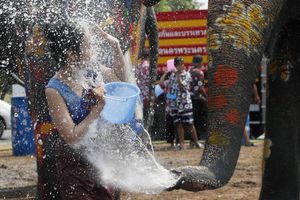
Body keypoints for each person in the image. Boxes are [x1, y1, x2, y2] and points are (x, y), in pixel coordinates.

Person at [44, 22, 125, 199]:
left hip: (101, 157)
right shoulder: (54, 89)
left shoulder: (92, 71)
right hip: (74, 163)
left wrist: (116, 46)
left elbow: (120, 80)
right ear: (72, 55)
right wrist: (97, 109)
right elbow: (71, 135)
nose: (93, 49)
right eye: (88, 45)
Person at [162, 57, 203, 150]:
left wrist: (178, 76)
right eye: (180, 64)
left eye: (183, 64)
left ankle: (196, 142)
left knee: (189, 123)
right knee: (178, 124)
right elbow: (169, 88)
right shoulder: (172, 76)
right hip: (175, 104)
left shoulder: (187, 75)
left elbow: (183, 87)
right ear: (176, 65)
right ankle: (181, 144)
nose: (182, 66)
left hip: (185, 103)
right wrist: (169, 101)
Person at [189, 55, 208, 140]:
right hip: (198, 98)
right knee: (201, 119)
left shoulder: (189, 71)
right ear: (200, 62)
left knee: (194, 119)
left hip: (190, 98)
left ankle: (193, 139)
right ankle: (200, 137)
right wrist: (206, 97)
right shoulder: (199, 73)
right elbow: (200, 87)